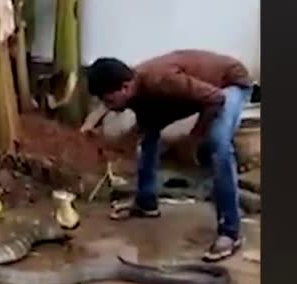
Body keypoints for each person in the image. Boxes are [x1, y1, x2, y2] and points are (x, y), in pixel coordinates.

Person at [84, 49, 253, 262]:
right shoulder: (133, 87)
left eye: (108, 100)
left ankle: (230, 231)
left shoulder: (161, 81)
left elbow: (215, 99)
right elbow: (146, 124)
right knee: (149, 134)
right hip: (198, 93)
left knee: (218, 144)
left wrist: (195, 137)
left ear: (125, 88)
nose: (107, 106)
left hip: (228, 83)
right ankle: (146, 202)